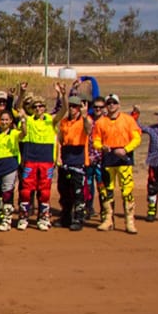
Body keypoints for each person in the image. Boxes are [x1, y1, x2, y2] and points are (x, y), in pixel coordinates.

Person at [92, 95, 142, 234]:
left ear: (119, 105)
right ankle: (108, 219)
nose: (112, 105)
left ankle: (129, 221)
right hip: (108, 158)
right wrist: (101, 147)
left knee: (127, 190)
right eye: (109, 103)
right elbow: (95, 140)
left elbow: (137, 138)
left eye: (114, 103)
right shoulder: (101, 122)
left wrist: (125, 149)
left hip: (124, 159)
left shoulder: (128, 120)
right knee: (107, 190)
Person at [17, 95, 58, 231]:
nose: (38, 108)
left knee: (45, 191)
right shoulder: (27, 121)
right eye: (35, 106)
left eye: (41, 106)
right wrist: (21, 92)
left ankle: (43, 217)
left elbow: (63, 111)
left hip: (46, 161)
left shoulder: (50, 121)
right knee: (25, 191)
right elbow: (18, 108)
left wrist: (62, 96)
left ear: (45, 108)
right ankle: (23, 217)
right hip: (30, 160)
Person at [57, 92, 94, 230]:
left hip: (78, 157)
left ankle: (79, 218)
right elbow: (61, 139)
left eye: (75, 106)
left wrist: (84, 117)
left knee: (78, 191)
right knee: (64, 190)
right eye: (70, 106)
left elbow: (89, 131)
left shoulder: (85, 120)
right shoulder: (64, 122)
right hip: (66, 156)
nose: (72, 109)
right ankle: (66, 217)